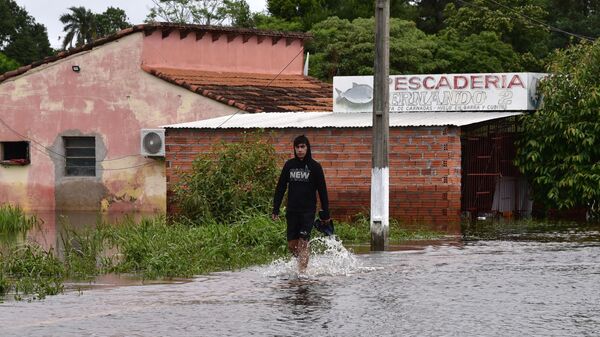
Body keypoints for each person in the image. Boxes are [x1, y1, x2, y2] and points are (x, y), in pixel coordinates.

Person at [272, 135, 330, 272]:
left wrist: (326, 212)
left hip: (308, 211)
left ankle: (302, 274)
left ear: (307, 148)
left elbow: (322, 191)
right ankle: (303, 264)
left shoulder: (315, 167)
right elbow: (280, 187)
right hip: (292, 211)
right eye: (297, 147)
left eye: (302, 147)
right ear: (294, 149)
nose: (300, 150)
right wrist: (276, 209)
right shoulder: (289, 165)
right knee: (292, 245)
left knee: (303, 242)